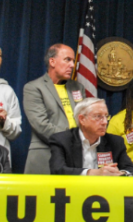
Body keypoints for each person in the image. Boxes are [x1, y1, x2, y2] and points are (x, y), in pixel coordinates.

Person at [23, 43, 87, 174]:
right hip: (46, 156)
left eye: (73, 61)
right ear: (52, 61)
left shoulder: (77, 88)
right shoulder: (34, 88)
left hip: (76, 158)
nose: (72, 65)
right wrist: (74, 140)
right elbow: (41, 125)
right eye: (67, 60)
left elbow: (85, 118)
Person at [48, 98, 133, 176]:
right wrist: (93, 173)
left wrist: (121, 174)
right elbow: (57, 170)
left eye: (106, 116)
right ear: (82, 119)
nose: (105, 122)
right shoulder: (62, 140)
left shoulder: (115, 142)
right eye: (98, 116)